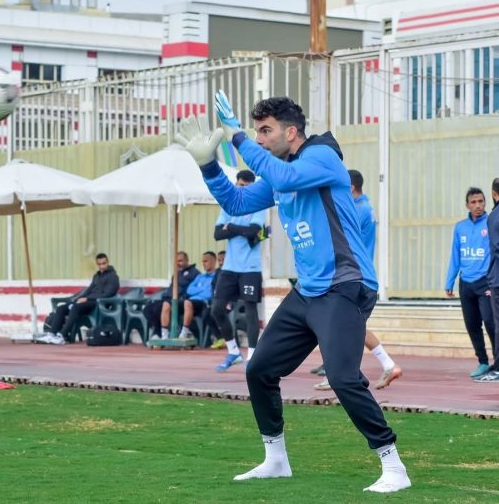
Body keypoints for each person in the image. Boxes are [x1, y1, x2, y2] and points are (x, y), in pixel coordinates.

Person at [175, 93, 410, 492]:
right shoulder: (280, 172)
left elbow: (284, 178)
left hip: (345, 285)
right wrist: (208, 165)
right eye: (255, 132)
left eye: (265, 131)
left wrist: (237, 139)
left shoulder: (322, 159)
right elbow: (236, 202)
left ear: (291, 131)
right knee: (259, 369)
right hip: (308, 291)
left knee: (342, 377)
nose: (260, 139)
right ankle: (276, 459)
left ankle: (394, 466)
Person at [314, 169, 402, 391]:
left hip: (355, 276)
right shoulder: (365, 209)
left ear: (351, 188)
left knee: (341, 325)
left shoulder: (359, 210)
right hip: (359, 275)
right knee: (352, 326)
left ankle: (342, 374)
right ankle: (383, 365)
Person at [211, 169, 266, 372]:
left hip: (250, 268)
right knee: (216, 309)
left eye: (244, 186)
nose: (240, 189)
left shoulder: (259, 205)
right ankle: (233, 351)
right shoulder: (229, 206)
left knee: (250, 310)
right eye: (238, 185)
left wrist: (231, 228)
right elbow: (217, 234)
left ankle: (252, 356)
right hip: (230, 268)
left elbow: (255, 231)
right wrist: (240, 230)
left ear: (251, 186)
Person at [445, 187, 495, 378]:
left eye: (481, 201)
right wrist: (449, 281)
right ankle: (482, 362)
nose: (478, 206)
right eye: (473, 202)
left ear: (485, 202)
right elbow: (455, 255)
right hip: (465, 283)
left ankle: (497, 362)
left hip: (486, 282)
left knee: (491, 322)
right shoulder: (460, 227)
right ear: (467, 204)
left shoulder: (491, 223)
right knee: (472, 325)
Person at [43, 253, 120, 344]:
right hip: (88, 301)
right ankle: (52, 334)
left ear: (108, 262)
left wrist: (87, 298)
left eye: (104, 263)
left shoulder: (113, 276)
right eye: (99, 264)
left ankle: (62, 335)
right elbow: (89, 290)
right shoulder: (96, 276)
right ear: (97, 264)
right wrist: (77, 300)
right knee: (61, 308)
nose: (102, 266)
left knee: (75, 308)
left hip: (98, 304)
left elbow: (108, 293)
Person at [475, 179, 499, 382]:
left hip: (496, 279)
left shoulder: (494, 216)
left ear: (493, 194)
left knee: (496, 322)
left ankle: (498, 367)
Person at [144, 251, 199, 340]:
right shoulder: (176, 274)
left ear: (187, 260)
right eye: (177, 261)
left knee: (160, 308)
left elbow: (193, 289)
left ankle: (163, 334)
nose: (178, 263)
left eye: (181, 261)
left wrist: (182, 298)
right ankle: (158, 333)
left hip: (181, 301)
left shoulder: (194, 273)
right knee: (148, 309)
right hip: (168, 298)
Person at [177, 251, 218, 339]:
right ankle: (168, 333)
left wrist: (198, 290)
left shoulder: (217, 276)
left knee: (187, 303)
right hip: (192, 302)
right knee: (173, 306)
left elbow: (208, 294)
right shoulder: (200, 276)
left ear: (213, 262)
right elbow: (189, 290)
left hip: (204, 303)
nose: (203, 264)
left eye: (206, 261)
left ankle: (184, 333)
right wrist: (203, 289)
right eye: (202, 261)